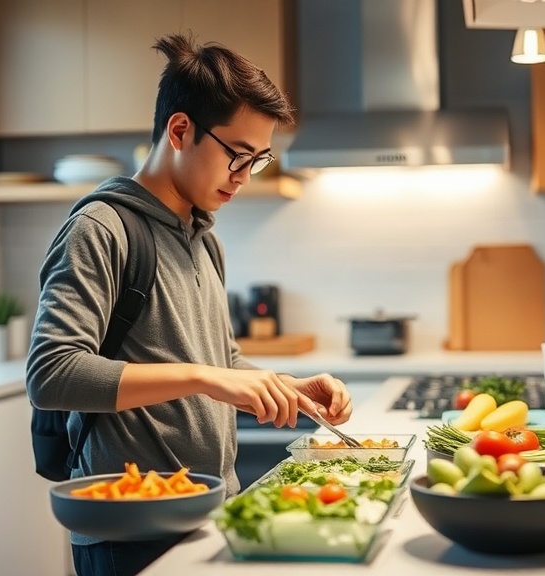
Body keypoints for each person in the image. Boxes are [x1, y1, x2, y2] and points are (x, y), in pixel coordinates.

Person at [26, 33, 353, 576]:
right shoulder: (99, 228)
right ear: (180, 130)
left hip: (208, 512)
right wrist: (206, 378)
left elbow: (219, 363)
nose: (245, 176)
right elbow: (52, 373)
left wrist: (287, 390)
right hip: (129, 528)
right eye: (238, 156)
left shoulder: (204, 238)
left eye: (260, 159)